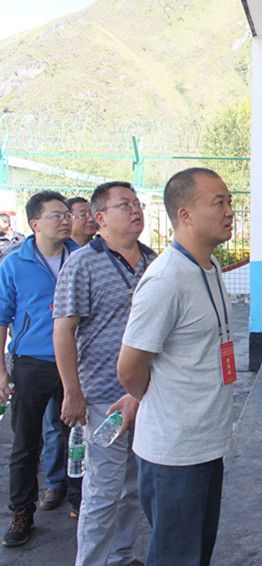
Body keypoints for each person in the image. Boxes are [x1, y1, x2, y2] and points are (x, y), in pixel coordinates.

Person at [117, 168, 235, 566]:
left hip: (205, 442)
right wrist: (147, 398)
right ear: (185, 214)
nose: (229, 211)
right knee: (177, 556)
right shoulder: (166, 279)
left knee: (195, 553)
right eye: (219, 202)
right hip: (175, 452)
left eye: (230, 201)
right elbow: (129, 368)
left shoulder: (208, 266)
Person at [54, 181, 156, 565]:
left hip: (144, 396)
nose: (136, 210)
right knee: (103, 491)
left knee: (133, 487)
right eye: (124, 205)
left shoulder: (152, 261)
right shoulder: (83, 263)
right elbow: (63, 330)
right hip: (102, 398)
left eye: (137, 203)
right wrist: (72, 391)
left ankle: (120, 556)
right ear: (100, 218)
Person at [0, 191, 79, 547]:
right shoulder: (14, 264)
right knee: (25, 444)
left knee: (78, 436)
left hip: (76, 363)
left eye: (66, 214)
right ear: (35, 224)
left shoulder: (81, 258)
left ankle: (80, 501)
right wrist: (1, 372)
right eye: (56, 215)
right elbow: (2, 318)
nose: (65, 220)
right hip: (32, 364)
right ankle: (22, 513)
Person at [38, 196, 97, 517]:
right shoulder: (19, 261)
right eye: (80, 214)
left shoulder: (91, 258)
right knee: (54, 424)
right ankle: (55, 483)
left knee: (80, 428)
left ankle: (78, 492)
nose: (87, 219)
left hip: (85, 359)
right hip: (42, 359)